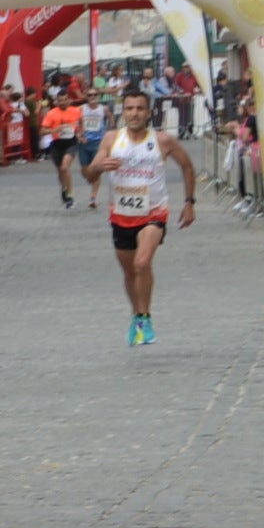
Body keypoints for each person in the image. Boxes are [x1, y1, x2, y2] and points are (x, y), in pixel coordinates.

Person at [81, 86, 197, 347]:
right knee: (129, 272)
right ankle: (136, 314)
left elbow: (187, 166)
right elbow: (89, 175)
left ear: (149, 113)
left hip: (153, 213)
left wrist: (189, 203)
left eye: (140, 109)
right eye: (130, 108)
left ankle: (145, 319)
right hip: (121, 214)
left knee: (142, 263)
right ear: (123, 111)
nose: (134, 113)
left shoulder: (162, 140)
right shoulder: (111, 139)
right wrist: (99, 166)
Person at [41, 92, 84, 208]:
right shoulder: (51, 114)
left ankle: (70, 195)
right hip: (57, 144)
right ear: (57, 101)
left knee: (65, 167)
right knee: (60, 171)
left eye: (65, 100)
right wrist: (54, 130)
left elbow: (81, 121)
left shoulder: (75, 111)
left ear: (68, 100)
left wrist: (80, 133)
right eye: (60, 100)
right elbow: (42, 131)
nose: (63, 102)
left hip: (71, 142)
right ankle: (64, 188)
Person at [78, 92, 110, 209]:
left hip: (98, 143)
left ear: (98, 97)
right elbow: (75, 122)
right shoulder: (81, 109)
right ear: (87, 97)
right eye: (89, 95)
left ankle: (93, 198)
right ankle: (90, 178)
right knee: (85, 171)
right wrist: (79, 135)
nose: (92, 97)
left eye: (94, 95)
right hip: (84, 143)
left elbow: (111, 121)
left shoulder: (103, 109)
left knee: (95, 170)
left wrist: (109, 135)